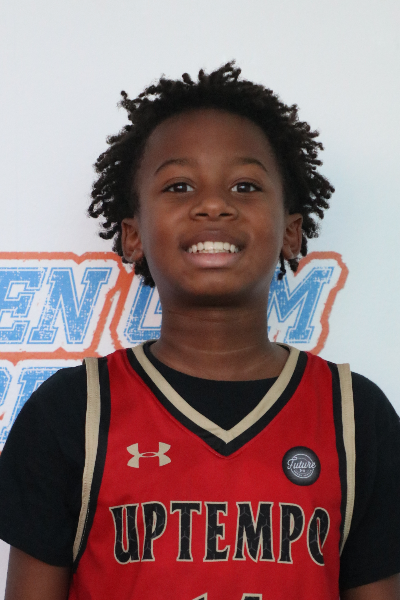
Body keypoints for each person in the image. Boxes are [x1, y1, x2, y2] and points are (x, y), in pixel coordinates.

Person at [0, 62, 399, 600]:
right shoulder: (73, 411)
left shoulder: (356, 417)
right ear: (133, 236)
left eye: (245, 185)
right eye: (179, 186)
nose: (213, 205)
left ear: (291, 232)